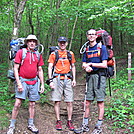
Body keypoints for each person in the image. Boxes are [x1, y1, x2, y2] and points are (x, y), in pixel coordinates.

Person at [7, 35, 45, 134]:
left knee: (32, 104)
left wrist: (42, 84)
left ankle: (31, 124)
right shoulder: (21, 52)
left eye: (34, 41)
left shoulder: (38, 54)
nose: (32, 43)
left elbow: (40, 70)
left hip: (34, 82)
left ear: (36, 43)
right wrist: (19, 83)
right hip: (23, 81)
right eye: (30, 41)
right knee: (17, 104)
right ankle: (12, 126)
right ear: (27, 43)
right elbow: (15, 68)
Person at [74, 29, 108, 134]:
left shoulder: (102, 48)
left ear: (96, 36)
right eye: (89, 34)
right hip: (90, 78)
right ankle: (85, 126)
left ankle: (98, 126)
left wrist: (91, 64)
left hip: (100, 77)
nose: (91, 36)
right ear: (87, 36)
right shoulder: (86, 49)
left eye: (93, 34)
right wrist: (86, 67)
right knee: (87, 102)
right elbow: (83, 63)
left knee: (100, 102)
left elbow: (104, 64)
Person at [48, 36, 76, 131]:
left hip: (67, 78)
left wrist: (74, 79)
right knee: (57, 101)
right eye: (61, 42)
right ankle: (58, 120)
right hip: (57, 78)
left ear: (67, 43)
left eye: (64, 42)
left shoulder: (70, 54)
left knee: (69, 101)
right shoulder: (54, 54)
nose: (62, 44)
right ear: (58, 43)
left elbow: (73, 66)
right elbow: (50, 67)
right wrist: (51, 80)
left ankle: (69, 120)